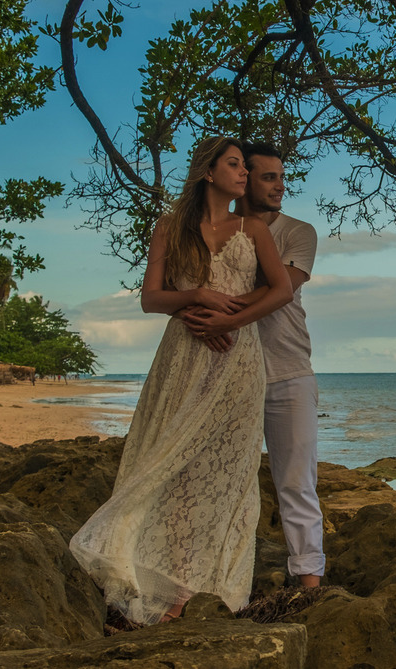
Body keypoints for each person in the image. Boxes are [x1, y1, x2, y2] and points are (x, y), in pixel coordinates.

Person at [69, 137, 293, 625]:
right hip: (183, 355)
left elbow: (281, 290)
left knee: (224, 473)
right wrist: (198, 296)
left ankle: (191, 593)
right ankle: (146, 577)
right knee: (165, 461)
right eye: (234, 165)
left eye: (244, 167)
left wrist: (228, 322)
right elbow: (151, 299)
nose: (243, 174)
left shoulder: (253, 228)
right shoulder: (171, 226)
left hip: (236, 360)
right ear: (208, 173)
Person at [182, 142, 325, 588]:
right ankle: (212, 580)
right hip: (225, 370)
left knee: (296, 483)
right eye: (268, 177)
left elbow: (281, 286)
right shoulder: (210, 230)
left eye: (282, 178)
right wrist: (193, 307)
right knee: (219, 479)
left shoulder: (299, 232)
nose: (279, 186)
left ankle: (309, 582)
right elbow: (181, 286)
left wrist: (217, 312)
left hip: (288, 372)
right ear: (242, 180)